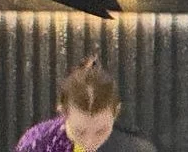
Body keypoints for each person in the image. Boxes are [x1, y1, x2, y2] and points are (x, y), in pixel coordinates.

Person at [14, 58, 155, 152]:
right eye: (79, 132)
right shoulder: (38, 143)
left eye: (101, 131)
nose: (89, 144)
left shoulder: (135, 149)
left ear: (116, 112)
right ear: (63, 112)